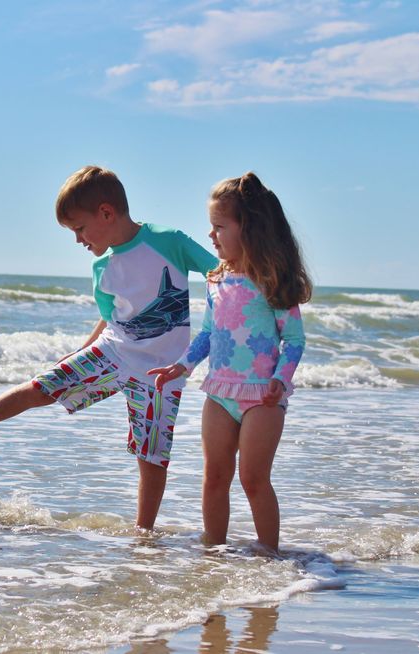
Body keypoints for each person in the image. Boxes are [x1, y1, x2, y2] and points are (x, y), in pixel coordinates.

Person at [0, 165, 217, 530]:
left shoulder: (169, 241)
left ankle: (144, 535)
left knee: (152, 456)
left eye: (79, 228)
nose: (78, 239)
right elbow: (111, 318)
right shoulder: (102, 268)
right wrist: (82, 350)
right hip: (113, 352)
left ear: (106, 213)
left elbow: (219, 272)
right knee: (40, 387)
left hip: (161, 372)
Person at [149, 172, 311, 553]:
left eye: (219, 227)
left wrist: (280, 380)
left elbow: (294, 340)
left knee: (254, 480)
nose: (211, 236)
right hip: (219, 392)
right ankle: (213, 555)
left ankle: (270, 557)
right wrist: (181, 366)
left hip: (263, 399)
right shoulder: (216, 279)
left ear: (249, 228)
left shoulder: (272, 279)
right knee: (214, 477)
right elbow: (208, 334)